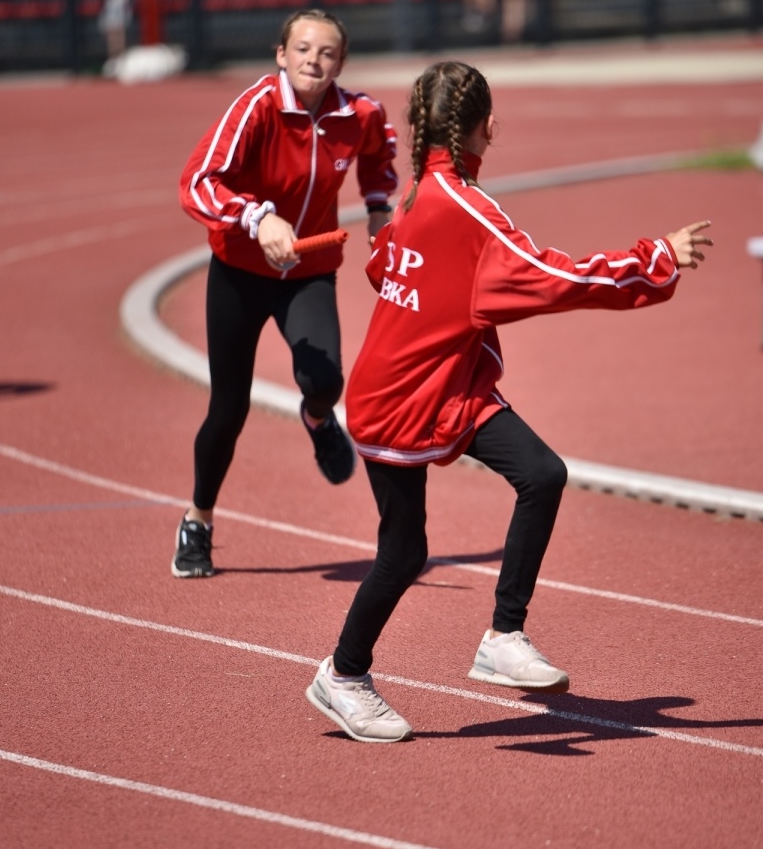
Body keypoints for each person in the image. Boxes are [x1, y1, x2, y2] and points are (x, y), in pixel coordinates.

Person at [305, 60, 712, 743]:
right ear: (483, 128)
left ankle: (500, 635)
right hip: (407, 399)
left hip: (431, 387)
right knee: (403, 553)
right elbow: (553, 277)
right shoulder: (466, 209)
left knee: (538, 474)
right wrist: (656, 255)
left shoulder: (418, 196)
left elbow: (383, 268)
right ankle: (344, 675)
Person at [173, 8, 398, 579]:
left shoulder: (360, 113)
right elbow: (198, 182)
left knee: (325, 383)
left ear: (340, 64)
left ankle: (319, 421)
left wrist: (378, 209)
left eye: (325, 53)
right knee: (229, 410)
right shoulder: (257, 107)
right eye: (301, 50)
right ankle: (198, 520)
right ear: (281, 54)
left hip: (309, 271)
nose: (312, 61)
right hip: (240, 273)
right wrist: (257, 218)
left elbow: (379, 155)